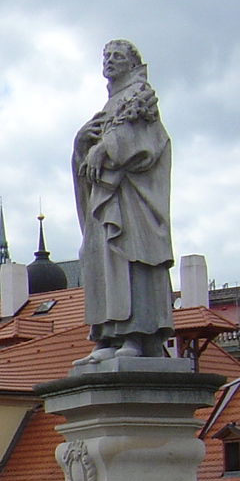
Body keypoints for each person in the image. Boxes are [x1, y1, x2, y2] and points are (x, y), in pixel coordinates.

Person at [73, 38, 175, 360]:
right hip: (105, 197)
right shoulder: (108, 105)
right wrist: (80, 146)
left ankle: (137, 335)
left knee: (134, 258)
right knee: (104, 259)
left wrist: (106, 148)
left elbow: (146, 142)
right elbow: (86, 156)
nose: (110, 60)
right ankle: (108, 335)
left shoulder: (140, 94)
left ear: (132, 64)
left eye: (118, 55)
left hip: (132, 198)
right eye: (106, 55)